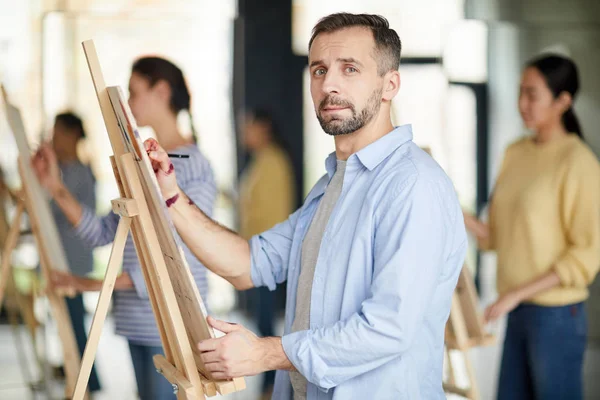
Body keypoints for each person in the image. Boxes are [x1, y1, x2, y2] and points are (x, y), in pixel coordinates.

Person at [146, 13, 466, 399]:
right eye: (319, 70)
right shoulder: (332, 185)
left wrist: (265, 352)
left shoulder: (413, 185)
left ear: (389, 84)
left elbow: (388, 328)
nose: (329, 84)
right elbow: (250, 263)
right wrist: (171, 196)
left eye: (350, 69)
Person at [32, 57, 217, 400]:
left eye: (133, 92)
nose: (128, 104)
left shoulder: (192, 167)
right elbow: (105, 232)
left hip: (171, 324)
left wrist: (84, 283)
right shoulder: (143, 167)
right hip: (137, 320)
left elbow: (173, 261)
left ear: (161, 91)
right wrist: (55, 187)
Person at [464, 54, 600, 400]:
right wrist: (453, 209)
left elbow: (586, 256)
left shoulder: (579, 162)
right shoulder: (515, 153)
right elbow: (496, 236)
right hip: (517, 311)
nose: (522, 103)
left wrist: (514, 295)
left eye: (532, 94)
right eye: (520, 92)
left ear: (562, 101)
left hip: (556, 316)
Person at [238, 108, 296, 398]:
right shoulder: (261, 160)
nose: (244, 132)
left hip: (264, 257)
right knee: (262, 321)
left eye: (248, 126)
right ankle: (268, 385)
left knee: (266, 323)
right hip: (253, 254)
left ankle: (270, 386)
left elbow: (275, 217)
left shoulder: (273, 162)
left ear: (263, 128)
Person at [48, 112, 101, 392]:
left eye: (57, 132)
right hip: (62, 257)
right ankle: (83, 378)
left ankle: (87, 382)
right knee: (70, 321)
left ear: (70, 135)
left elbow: (71, 216)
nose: (52, 138)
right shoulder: (64, 170)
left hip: (73, 258)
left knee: (75, 323)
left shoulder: (78, 172)